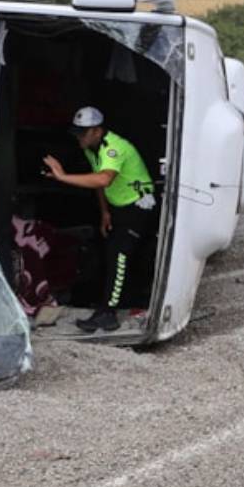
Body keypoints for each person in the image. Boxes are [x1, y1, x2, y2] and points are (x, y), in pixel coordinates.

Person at [42, 106, 156, 332]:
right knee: (110, 254)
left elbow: (103, 179)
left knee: (119, 257)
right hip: (119, 206)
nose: (78, 137)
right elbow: (99, 184)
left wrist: (63, 177)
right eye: (76, 132)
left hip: (138, 206)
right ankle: (109, 307)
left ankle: (108, 315)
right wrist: (105, 212)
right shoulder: (91, 149)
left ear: (96, 131)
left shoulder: (114, 148)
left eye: (82, 133)